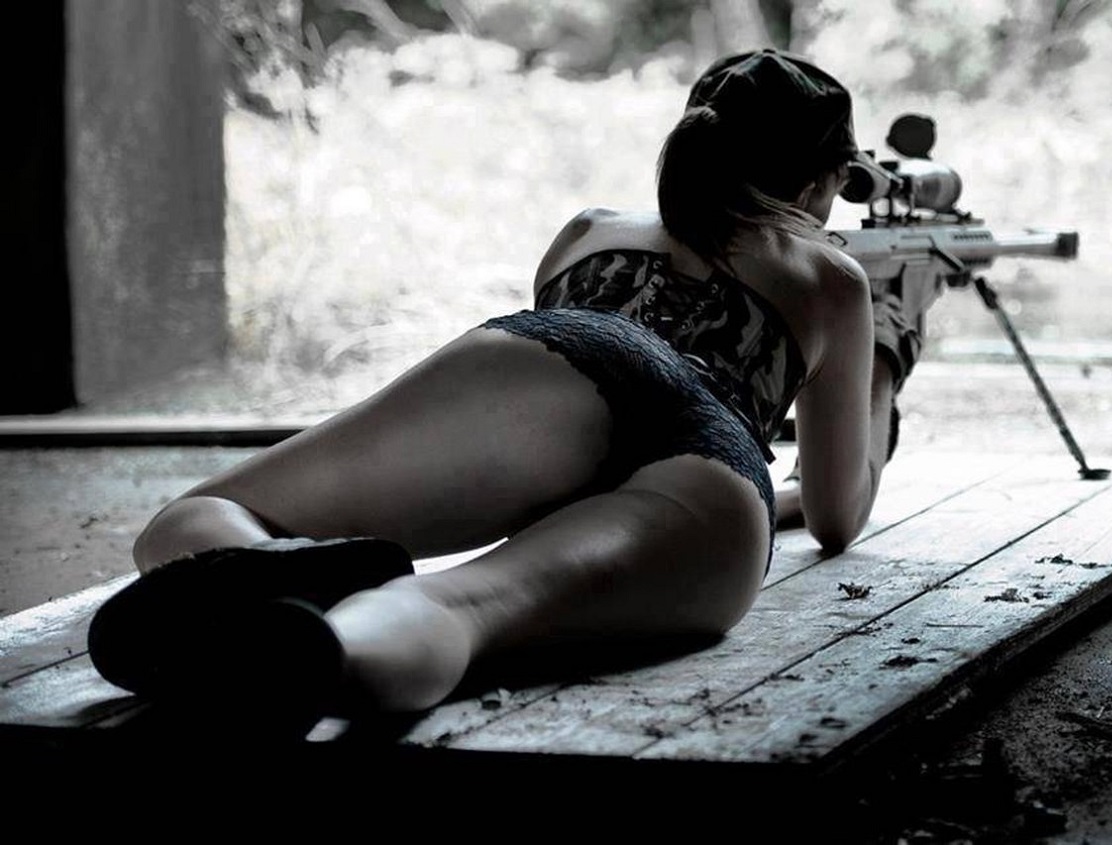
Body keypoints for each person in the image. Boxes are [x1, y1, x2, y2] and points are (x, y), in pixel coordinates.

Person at [86, 48, 939, 732]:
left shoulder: (591, 230)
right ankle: (336, 648)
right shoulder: (831, 277)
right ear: (820, 184)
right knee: (459, 609)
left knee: (193, 522)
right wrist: (886, 359)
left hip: (570, 360)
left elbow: (577, 453)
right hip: (717, 472)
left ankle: (282, 575)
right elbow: (837, 516)